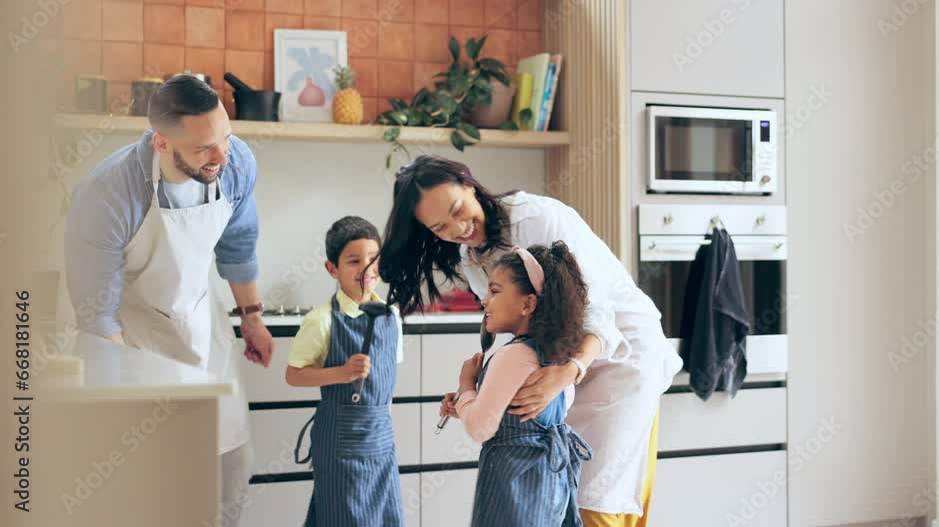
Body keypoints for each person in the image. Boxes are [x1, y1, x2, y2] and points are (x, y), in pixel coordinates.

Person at [379, 155, 684, 526]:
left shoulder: (538, 218)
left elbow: (597, 312)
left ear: (469, 184)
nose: (459, 228)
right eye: (441, 227)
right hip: (562, 374)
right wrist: (474, 391)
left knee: (599, 498)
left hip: (621, 358)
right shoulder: (473, 260)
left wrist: (570, 370)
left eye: (459, 210)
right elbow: (520, 333)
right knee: (567, 499)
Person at [64, 75, 274, 527]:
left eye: (225, 137)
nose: (221, 155)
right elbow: (96, 312)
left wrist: (252, 319)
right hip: (132, 341)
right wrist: (125, 397)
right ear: (161, 142)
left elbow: (237, 245)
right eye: (204, 149)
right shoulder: (108, 193)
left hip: (205, 330)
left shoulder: (235, 164)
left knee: (231, 475)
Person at [441, 242, 593, 526]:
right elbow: (511, 413)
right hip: (549, 483)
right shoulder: (555, 357)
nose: (485, 301)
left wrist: (466, 385)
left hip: (513, 487)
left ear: (528, 303)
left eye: (495, 291)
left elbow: (480, 428)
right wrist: (467, 402)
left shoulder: (512, 356)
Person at [287, 216, 404, 527]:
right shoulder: (322, 319)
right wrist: (341, 373)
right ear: (332, 269)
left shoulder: (392, 316)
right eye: (354, 261)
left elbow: (387, 382)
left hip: (381, 436)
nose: (366, 269)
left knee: (385, 518)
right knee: (345, 517)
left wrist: (385, 423)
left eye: (372, 259)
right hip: (341, 439)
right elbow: (294, 374)